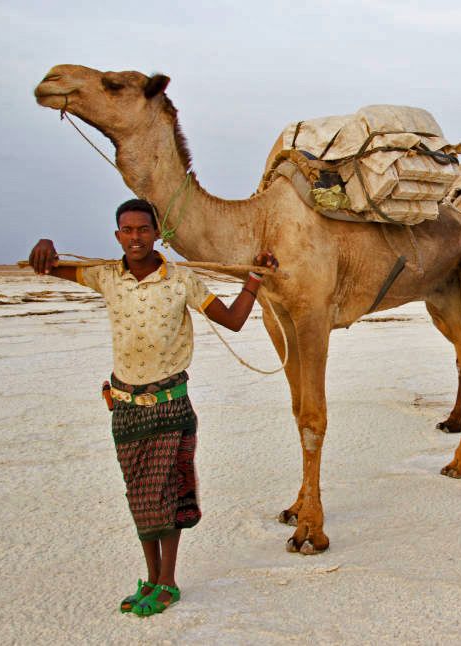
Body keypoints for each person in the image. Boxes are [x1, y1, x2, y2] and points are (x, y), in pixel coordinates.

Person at [28, 198, 272, 617]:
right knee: (139, 496)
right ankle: (150, 576)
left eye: (143, 229)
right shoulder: (105, 275)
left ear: (157, 234)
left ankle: (168, 582)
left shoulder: (182, 281)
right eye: (127, 230)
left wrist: (254, 279)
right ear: (117, 235)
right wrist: (46, 245)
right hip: (126, 406)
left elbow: (232, 319)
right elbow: (47, 266)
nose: (135, 237)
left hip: (170, 404)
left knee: (168, 496)